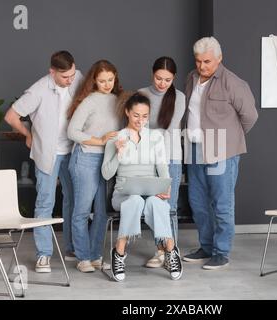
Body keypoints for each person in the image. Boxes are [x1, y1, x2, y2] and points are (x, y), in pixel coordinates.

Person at [182, 36, 258, 269]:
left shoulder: (233, 83)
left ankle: (221, 252)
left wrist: (229, 140)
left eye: (207, 62)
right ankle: (205, 247)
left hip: (221, 150)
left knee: (222, 204)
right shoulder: (191, 78)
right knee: (198, 202)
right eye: (198, 61)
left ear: (219, 58)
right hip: (194, 149)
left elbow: (250, 116)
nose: (202, 66)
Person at [4, 50, 83, 272]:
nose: (70, 80)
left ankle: (72, 248)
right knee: (45, 202)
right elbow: (11, 116)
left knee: (74, 199)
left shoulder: (78, 78)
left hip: (74, 150)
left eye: (72, 74)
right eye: (65, 77)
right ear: (52, 72)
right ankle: (43, 255)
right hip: (48, 153)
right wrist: (28, 135)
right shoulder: (38, 89)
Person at [101, 92, 183, 281]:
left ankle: (170, 250)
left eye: (145, 116)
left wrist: (165, 187)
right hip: (124, 193)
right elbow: (106, 173)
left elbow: (162, 166)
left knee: (156, 203)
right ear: (128, 112)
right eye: (136, 115)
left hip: (150, 190)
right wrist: (117, 153)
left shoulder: (155, 137)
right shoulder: (116, 138)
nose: (140, 120)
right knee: (135, 201)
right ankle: (119, 252)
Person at [67, 60, 123, 273]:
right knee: (82, 211)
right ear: (94, 81)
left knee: (101, 212)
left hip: (106, 161)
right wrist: (100, 140)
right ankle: (82, 257)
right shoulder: (89, 101)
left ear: (115, 77)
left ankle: (95, 255)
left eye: (110, 80)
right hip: (85, 158)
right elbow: (72, 132)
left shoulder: (118, 100)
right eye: (102, 81)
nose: (107, 84)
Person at [138, 57, 185, 268]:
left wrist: (148, 132)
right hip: (148, 160)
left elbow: (169, 131)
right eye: (158, 78)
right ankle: (159, 250)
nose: (162, 83)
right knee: (155, 205)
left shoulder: (180, 97)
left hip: (172, 158)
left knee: (170, 207)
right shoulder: (141, 94)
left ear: (173, 78)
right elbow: (136, 128)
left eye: (167, 79)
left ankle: (171, 251)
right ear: (152, 74)